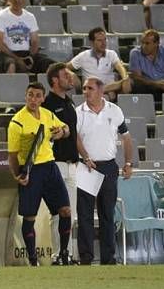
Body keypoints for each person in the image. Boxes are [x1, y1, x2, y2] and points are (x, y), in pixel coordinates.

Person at [7, 82, 72, 267]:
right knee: (29, 217)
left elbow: (66, 129)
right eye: (30, 95)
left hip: (50, 168)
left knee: (65, 211)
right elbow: (12, 154)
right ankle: (33, 261)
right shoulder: (17, 122)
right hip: (31, 171)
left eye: (37, 96)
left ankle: (64, 254)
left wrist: (62, 132)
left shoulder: (48, 114)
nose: (33, 99)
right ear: (25, 96)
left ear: (43, 98)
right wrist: (17, 174)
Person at [75, 77, 134, 265]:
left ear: (101, 91)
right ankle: (86, 257)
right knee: (84, 214)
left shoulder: (115, 111)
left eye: (90, 88)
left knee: (107, 213)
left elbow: (126, 138)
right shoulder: (78, 112)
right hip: (87, 167)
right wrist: (85, 156)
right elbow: (75, 138)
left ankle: (109, 259)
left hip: (109, 166)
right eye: (84, 88)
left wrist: (128, 163)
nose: (86, 91)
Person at [41, 63, 78, 265]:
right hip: (55, 163)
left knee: (69, 213)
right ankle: (58, 254)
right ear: (55, 80)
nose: (70, 78)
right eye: (66, 75)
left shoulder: (69, 102)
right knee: (58, 212)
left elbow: (75, 132)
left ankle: (67, 253)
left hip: (72, 164)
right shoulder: (47, 104)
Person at [0, 0, 56, 74]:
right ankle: (11, 86)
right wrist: (17, 59)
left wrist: (31, 57)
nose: (17, 0)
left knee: (51, 65)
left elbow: (35, 41)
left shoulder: (30, 17)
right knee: (11, 65)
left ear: (25, 0)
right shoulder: (1, 16)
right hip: (5, 54)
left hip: (26, 53)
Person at [68, 27, 132, 99]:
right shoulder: (83, 56)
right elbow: (65, 67)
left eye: (105, 39)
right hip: (92, 89)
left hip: (110, 89)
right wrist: (73, 75)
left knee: (126, 82)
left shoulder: (111, 54)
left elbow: (120, 67)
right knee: (108, 93)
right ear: (92, 42)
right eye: (99, 40)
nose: (103, 43)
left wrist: (125, 78)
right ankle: (100, 90)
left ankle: (102, 90)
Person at [128, 28, 164, 99]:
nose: (143, 46)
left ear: (156, 43)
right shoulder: (135, 53)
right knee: (137, 87)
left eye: (147, 43)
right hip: (147, 86)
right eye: (142, 43)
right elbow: (136, 77)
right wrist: (155, 83)